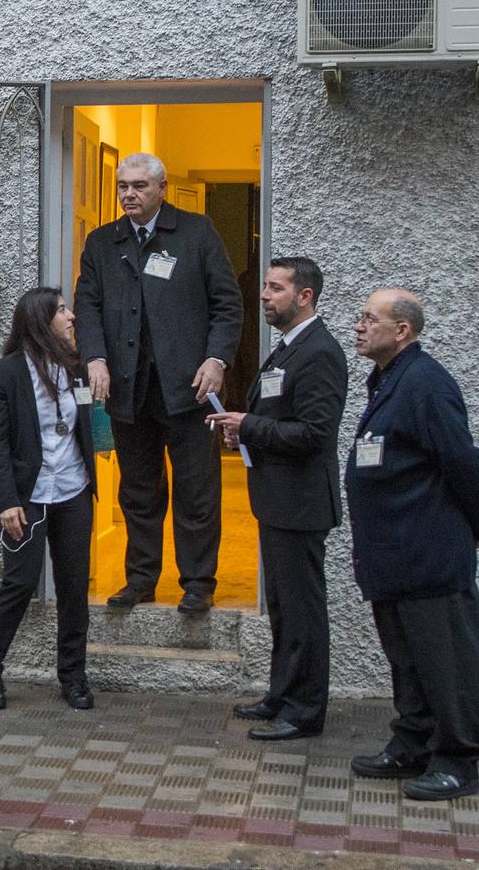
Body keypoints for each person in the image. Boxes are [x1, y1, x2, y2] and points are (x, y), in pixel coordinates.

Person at [345, 289, 479, 801]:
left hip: (429, 553)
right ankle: (412, 744)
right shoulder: (390, 379)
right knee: (408, 660)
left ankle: (458, 761)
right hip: (395, 555)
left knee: (446, 662)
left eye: (370, 319)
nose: (359, 326)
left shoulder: (427, 384)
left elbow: (464, 461)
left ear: (402, 330)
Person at [73, 153, 243, 614]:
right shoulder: (102, 243)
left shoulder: (196, 232)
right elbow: (86, 307)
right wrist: (95, 357)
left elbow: (227, 304)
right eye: (123, 186)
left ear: (162, 187)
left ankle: (197, 584)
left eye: (139, 186)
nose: (129, 194)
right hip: (129, 390)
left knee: (197, 491)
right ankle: (141, 579)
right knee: (138, 492)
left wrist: (217, 359)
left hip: (190, 389)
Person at [206, 257, 347, 741]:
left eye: (275, 288)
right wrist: (243, 433)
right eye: (264, 286)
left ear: (304, 296)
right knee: (284, 607)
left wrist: (249, 425)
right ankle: (282, 694)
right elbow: (279, 416)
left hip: (301, 503)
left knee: (303, 609)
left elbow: (314, 432)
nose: (263, 295)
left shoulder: (319, 351)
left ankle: (305, 711)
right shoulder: (288, 348)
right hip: (278, 499)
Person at [0, 287, 97, 711]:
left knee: (74, 587)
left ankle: (73, 676)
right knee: (20, 583)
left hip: (74, 491)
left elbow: (88, 424)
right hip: (28, 497)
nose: (70, 317)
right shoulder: (5, 372)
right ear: (41, 321)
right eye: (62, 310)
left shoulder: (76, 369)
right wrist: (7, 501)